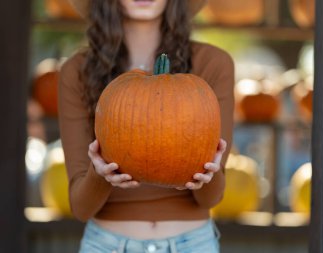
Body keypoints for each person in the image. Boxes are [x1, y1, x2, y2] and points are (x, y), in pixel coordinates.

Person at [58, 0, 234, 252]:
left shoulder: (214, 64)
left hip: (192, 245)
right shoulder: (76, 71)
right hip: (107, 245)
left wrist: (211, 173)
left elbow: (211, 198)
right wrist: (100, 175)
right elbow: (81, 208)